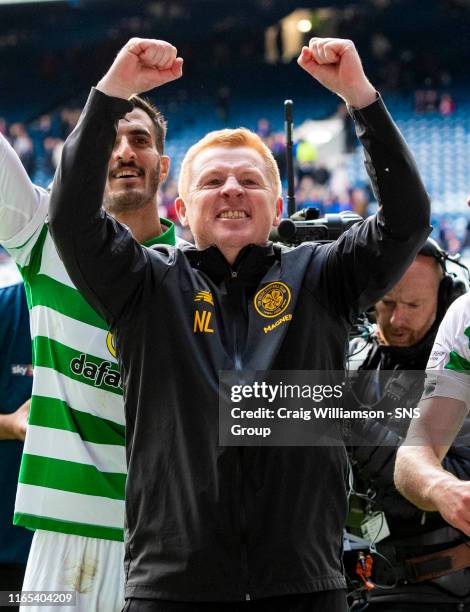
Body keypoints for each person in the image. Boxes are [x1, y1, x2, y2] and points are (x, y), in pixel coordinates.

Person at [49, 37, 430, 611]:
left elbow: (407, 221)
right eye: (212, 181)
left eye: (250, 181)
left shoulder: (323, 276)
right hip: (171, 588)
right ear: (180, 210)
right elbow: (72, 220)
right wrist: (111, 94)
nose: (231, 188)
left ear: (277, 210)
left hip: (305, 585)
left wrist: (359, 98)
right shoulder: (143, 285)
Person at [0, 82, 178, 610]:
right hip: (62, 541)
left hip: (169, 539)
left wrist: (395, 409)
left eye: (140, 140)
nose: (124, 151)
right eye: (110, 139)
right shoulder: (43, 237)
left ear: (162, 167)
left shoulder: (196, 272)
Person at [347, 241, 470, 610]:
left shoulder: (457, 353)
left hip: (443, 588)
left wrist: (354, 426)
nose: (397, 320)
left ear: (444, 297)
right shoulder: (350, 360)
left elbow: (458, 475)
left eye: (414, 305)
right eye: (386, 304)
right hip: (359, 582)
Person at [0, 282, 33, 611]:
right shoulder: (8, 308)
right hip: (10, 555)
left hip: (107, 549)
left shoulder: (133, 297)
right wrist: (10, 425)